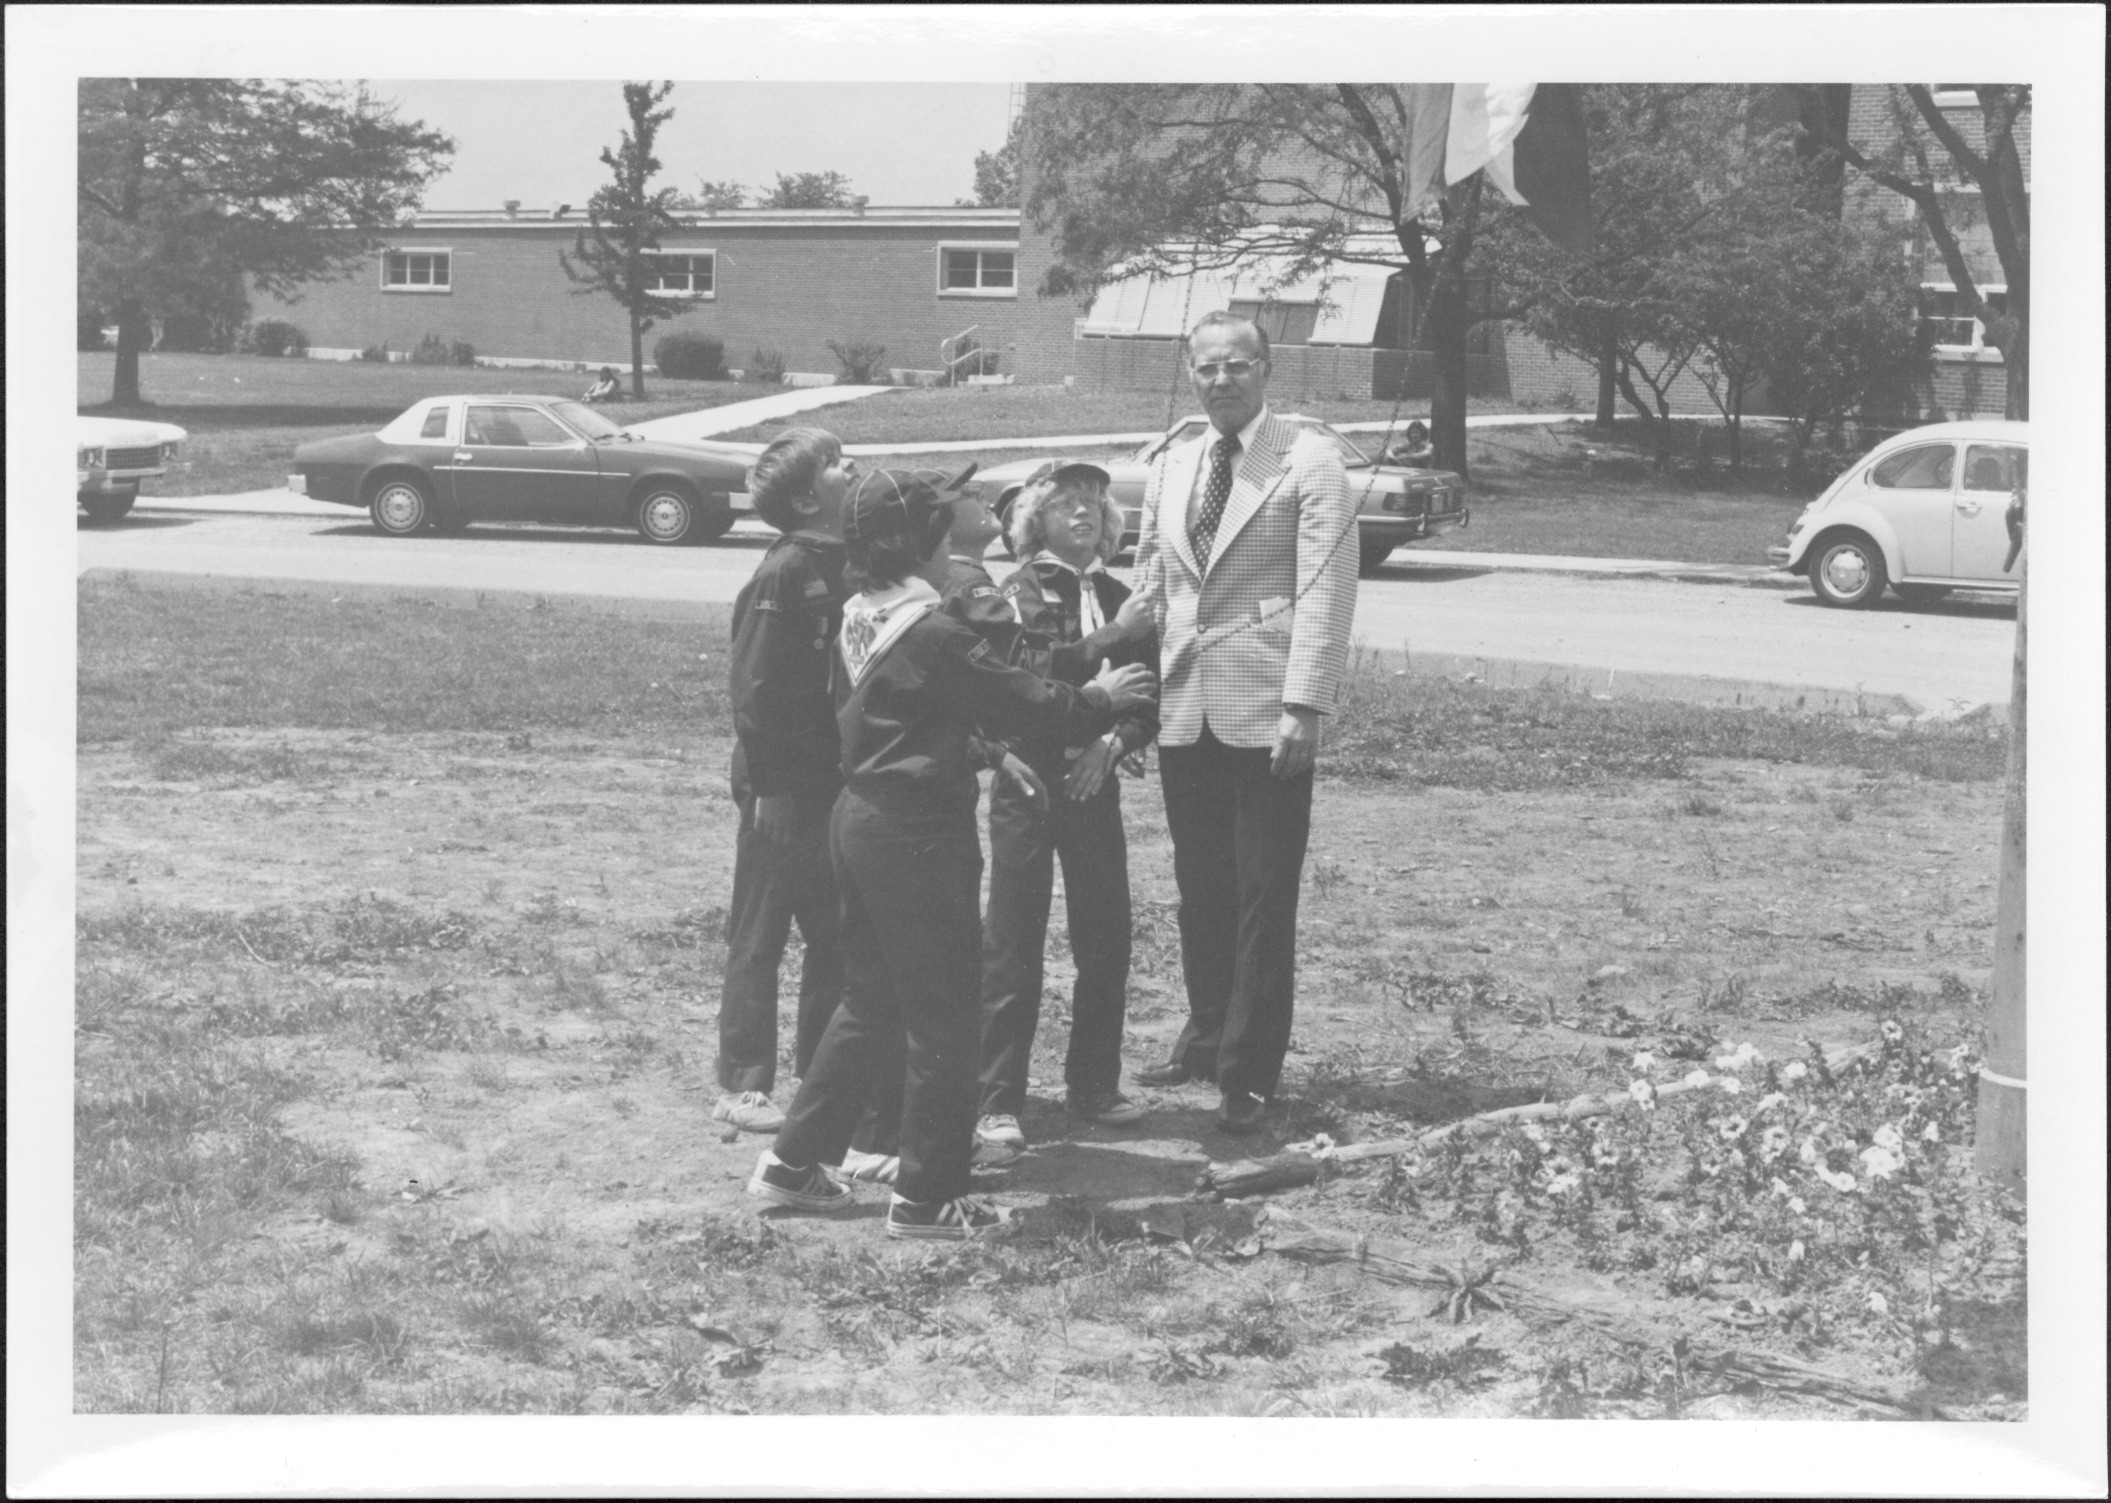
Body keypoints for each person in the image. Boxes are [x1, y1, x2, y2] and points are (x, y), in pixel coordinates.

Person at [747, 468, 1156, 1240]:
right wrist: (1099, 698)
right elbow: (1021, 696)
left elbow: (905, 711)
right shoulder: (931, 631)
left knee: (870, 999)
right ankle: (928, 1197)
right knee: (945, 1017)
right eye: (942, 530)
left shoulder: (863, 613)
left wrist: (984, 746)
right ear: (921, 544)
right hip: (916, 835)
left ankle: (793, 1161)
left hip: (859, 819)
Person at [1125, 310, 1358, 1134]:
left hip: (1266, 711)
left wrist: (1305, 704)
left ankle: (1248, 1073)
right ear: (1189, 374)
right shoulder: (1173, 460)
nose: (1219, 380)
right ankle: (1204, 1036)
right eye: (1205, 368)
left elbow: (1326, 590)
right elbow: (1150, 583)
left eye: (1235, 365)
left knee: (1261, 894)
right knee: (1201, 890)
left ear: (1265, 369)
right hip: (1184, 707)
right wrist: (1125, 693)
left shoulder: (1309, 459)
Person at [972, 460, 1160, 1163]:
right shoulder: (1016, 592)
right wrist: (1109, 638)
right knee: (1013, 941)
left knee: (1105, 935)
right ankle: (997, 1098)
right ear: (1035, 520)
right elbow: (1029, 678)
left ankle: (1094, 1084)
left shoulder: (1120, 596)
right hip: (1030, 783)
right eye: (1065, 503)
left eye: (1094, 502)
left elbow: (1148, 697)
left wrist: (1111, 745)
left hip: (1092, 783)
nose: (1084, 512)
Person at [711, 428, 852, 1139]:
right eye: (834, 464)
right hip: (780, 783)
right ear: (804, 499)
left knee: (833, 930)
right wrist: (768, 785)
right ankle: (742, 1083)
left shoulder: (846, 560)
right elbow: (756, 689)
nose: (849, 467)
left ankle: (820, 1072)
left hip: (830, 779)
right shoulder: (786, 572)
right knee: (760, 928)